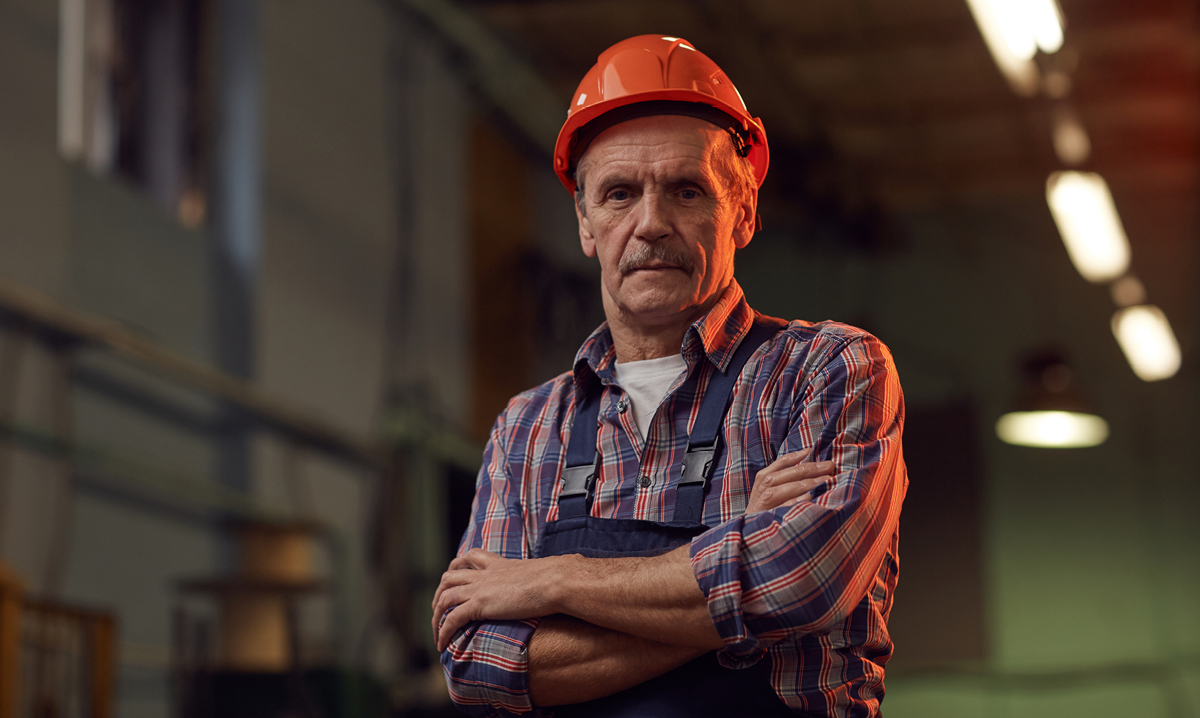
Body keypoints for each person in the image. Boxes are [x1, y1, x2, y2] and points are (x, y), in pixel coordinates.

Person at [433, 35, 906, 717]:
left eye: (687, 190)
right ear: (585, 223)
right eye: (620, 193)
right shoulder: (529, 429)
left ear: (742, 211)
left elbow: (801, 582)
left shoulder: (828, 371)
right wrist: (739, 567)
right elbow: (478, 666)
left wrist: (550, 582)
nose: (650, 224)